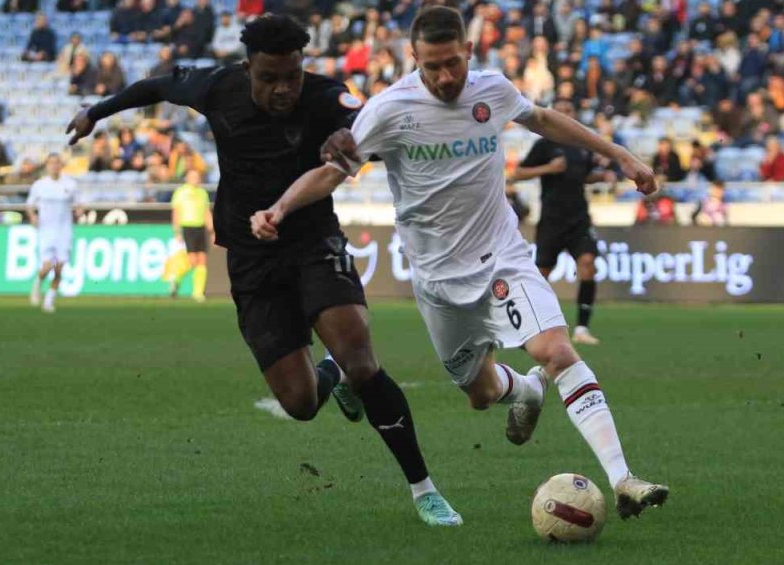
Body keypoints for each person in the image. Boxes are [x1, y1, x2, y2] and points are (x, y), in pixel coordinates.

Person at [254, 6, 669, 519]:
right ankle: (525, 390)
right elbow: (331, 173)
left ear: (469, 51)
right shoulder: (389, 110)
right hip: (437, 283)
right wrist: (280, 208)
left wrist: (621, 155)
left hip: (502, 259)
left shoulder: (491, 89)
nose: (447, 77)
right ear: (414, 59)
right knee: (481, 392)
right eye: (434, 67)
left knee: (556, 350)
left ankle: (622, 478)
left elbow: (540, 118)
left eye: (454, 63)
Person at [66, 14, 459, 527]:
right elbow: (158, 84)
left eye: (292, 76)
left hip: (313, 238)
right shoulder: (216, 86)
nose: (282, 89)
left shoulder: (325, 96)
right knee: (299, 402)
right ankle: (330, 373)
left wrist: (350, 136)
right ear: (248, 67)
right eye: (269, 77)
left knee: (361, 355)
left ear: (303, 66)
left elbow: (365, 123)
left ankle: (424, 490)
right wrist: (96, 111)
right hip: (250, 256)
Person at [509, 97, 611, 346]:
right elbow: (518, 174)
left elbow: (583, 176)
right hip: (552, 220)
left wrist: (599, 177)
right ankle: (527, 327)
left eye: (569, 110)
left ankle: (582, 328)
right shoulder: (544, 146)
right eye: (560, 111)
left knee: (588, 264)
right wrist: (548, 169)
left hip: (579, 219)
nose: (565, 114)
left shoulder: (583, 146)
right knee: (541, 275)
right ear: (553, 114)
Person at [26, 155, 82, 313]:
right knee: (46, 266)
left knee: (59, 268)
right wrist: (32, 217)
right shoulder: (40, 185)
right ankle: (38, 283)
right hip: (46, 231)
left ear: (61, 165)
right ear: (47, 166)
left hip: (64, 231)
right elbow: (30, 205)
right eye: (51, 163)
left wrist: (79, 210)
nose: (54, 166)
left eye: (57, 163)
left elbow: (79, 203)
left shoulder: (70, 184)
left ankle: (49, 301)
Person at [168, 169, 212, 302]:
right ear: (187, 178)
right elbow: (176, 212)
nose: (195, 179)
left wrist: (212, 230)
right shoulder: (180, 192)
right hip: (187, 227)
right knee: (192, 261)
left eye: (197, 176)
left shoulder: (203, 193)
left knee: (202, 260)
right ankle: (175, 279)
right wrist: (177, 231)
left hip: (201, 228)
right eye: (192, 176)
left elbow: (206, 212)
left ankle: (197, 293)